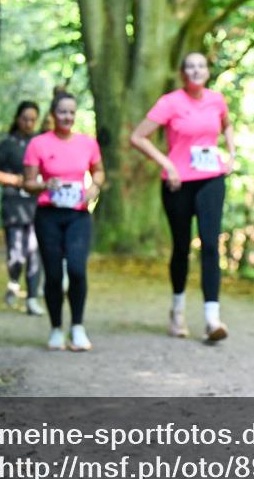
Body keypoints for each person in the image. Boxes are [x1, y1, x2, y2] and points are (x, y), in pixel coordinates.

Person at [129, 52, 235, 341]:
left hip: (211, 179)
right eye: (190, 66)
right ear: (183, 73)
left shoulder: (217, 99)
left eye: (201, 66)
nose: (196, 71)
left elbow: (227, 126)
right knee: (181, 247)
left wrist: (232, 155)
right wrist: (166, 164)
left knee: (211, 246)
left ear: (207, 71)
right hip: (177, 183)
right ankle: (177, 312)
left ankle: (213, 320)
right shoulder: (170, 102)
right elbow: (137, 137)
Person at [22, 91, 104, 351]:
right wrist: (46, 184)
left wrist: (95, 188)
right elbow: (28, 183)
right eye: (62, 112)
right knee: (54, 274)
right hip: (49, 215)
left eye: (71, 112)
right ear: (53, 115)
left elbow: (99, 171)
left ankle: (78, 327)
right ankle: (56, 328)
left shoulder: (87, 143)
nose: (67, 116)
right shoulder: (38, 144)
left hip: (78, 214)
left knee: (78, 269)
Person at [0, 100, 44, 316]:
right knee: (16, 253)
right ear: (17, 119)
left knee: (34, 251)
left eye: (32, 119)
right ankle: (13, 282)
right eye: (25, 119)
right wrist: (14, 180)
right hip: (12, 204)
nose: (29, 123)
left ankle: (31, 298)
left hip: (36, 206)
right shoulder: (7, 144)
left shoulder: (40, 143)